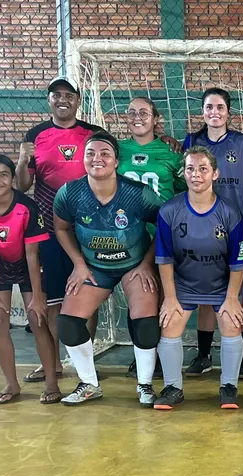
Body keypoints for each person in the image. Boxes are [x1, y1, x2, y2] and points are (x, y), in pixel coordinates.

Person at [50, 131, 165, 406]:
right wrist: (78, 263)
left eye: (104, 154)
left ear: (116, 161)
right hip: (94, 267)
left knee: (145, 321)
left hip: (134, 265)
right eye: (90, 153)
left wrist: (148, 263)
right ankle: (89, 383)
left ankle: (145, 385)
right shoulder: (69, 193)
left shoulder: (138, 194)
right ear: (83, 158)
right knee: (68, 323)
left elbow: (165, 226)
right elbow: (61, 227)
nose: (96, 158)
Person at [15, 75, 103, 384]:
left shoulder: (94, 134)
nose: (62, 99)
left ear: (78, 100)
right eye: (56, 95)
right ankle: (53, 364)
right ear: (49, 100)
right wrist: (23, 160)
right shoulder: (36, 134)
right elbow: (23, 186)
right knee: (53, 298)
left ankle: (85, 365)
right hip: (48, 230)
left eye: (68, 94)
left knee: (86, 294)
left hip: (87, 228)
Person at [153, 146, 243, 410]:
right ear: (183, 173)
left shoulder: (230, 213)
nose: (196, 174)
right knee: (169, 324)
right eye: (190, 168)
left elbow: (238, 261)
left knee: (231, 323)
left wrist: (231, 298)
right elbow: (164, 259)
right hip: (184, 284)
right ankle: (173, 387)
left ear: (215, 174)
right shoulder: (170, 211)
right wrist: (170, 298)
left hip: (221, 285)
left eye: (203, 168)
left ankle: (229, 386)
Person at [0, 154, 61, 405]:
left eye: (3, 175)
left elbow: (31, 254)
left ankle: (51, 382)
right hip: (0, 267)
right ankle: (12, 383)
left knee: (38, 320)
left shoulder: (26, 207)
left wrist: (38, 297)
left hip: (28, 266)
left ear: (12, 179)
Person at [182, 87, 243, 378]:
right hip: (199, 226)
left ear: (229, 112)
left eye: (220, 108)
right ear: (203, 112)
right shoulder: (192, 141)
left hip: (234, 225)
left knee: (238, 293)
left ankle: (242, 356)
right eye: (209, 108)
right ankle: (204, 355)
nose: (214, 113)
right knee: (205, 292)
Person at [116, 96, 184, 382]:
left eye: (144, 112)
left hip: (162, 237)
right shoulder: (116, 150)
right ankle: (141, 355)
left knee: (160, 298)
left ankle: (157, 355)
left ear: (157, 119)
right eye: (131, 112)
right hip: (127, 236)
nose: (137, 117)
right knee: (137, 297)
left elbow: (182, 191)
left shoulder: (170, 152)